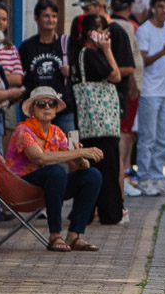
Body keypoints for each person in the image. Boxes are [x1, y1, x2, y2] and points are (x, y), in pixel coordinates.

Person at [6, 87, 104, 252]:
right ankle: (55, 235)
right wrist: (81, 151)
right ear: (32, 110)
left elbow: (80, 167)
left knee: (92, 175)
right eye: (41, 104)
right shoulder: (23, 130)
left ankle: (74, 236)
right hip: (22, 187)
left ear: (56, 109)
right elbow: (39, 158)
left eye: (51, 103)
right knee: (56, 172)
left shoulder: (57, 133)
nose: (47, 107)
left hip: (50, 187)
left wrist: (78, 157)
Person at [70, 14, 124, 225]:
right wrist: (108, 50)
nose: (107, 35)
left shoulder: (78, 54)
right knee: (107, 167)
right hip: (102, 123)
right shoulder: (91, 54)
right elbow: (116, 75)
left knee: (91, 167)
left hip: (88, 122)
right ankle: (111, 213)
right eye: (102, 30)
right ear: (92, 33)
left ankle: (87, 212)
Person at [135, 0, 165, 197]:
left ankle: (157, 176)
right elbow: (141, 62)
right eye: (160, 6)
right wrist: (162, 51)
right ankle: (144, 178)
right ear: (152, 8)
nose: (164, 11)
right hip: (149, 92)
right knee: (148, 137)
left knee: (162, 138)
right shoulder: (144, 30)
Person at [19, 0, 76, 135]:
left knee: (68, 150)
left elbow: (81, 71)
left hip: (63, 108)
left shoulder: (67, 43)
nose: (51, 20)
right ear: (36, 18)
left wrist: (71, 71)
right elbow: (20, 75)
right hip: (35, 108)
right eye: (46, 16)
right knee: (35, 150)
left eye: (54, 16)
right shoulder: (27, 47)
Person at [109, 0, 144, 198]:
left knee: (127, 132)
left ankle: (126, 171)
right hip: (127, 87)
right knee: (125, 132)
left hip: (123, 85)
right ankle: (122, 174)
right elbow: (128, 59)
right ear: (130, 7)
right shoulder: (126, 27)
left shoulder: (114, 25)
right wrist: (132, 84)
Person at [0, 1, 24, 149]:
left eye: (4, 19)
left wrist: (2, 76)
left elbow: (19, 78)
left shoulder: (10, 47)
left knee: (8, 133)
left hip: (8, 102)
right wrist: (7, 75)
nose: (1, 23)